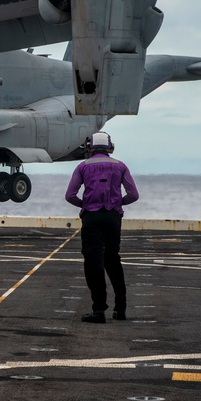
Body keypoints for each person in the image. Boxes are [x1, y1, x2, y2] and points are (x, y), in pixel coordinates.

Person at [65, 131, 139, 323]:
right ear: (110, 147)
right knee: (113, 260)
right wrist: (117, 204)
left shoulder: (82, 167)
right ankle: (120, 309)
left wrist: (87, 205)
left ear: (89, 147)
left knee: (93, 263)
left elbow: (70, 195)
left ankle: (99, 310)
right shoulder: (120, 166)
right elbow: (133, 195)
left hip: (92, 218)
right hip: (113, 217)